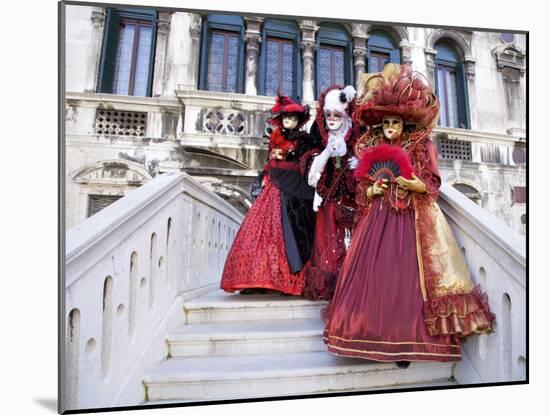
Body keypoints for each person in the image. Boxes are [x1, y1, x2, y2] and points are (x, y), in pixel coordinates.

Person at [323, 64, 495, 365]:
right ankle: (367, 337)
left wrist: (414, 182)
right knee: (374, 278)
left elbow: (432, 183)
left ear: (404, 124)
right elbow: (362, 187)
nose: (391, 127)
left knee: (406, 283)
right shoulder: (371, 149)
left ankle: (405, 345)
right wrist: (373, 191)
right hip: (376, 220)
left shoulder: (420, 147)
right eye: (386, 122)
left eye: (396, 122)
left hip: (410, 220)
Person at [220, 95, 320, 295]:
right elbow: (268, 163)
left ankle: (291, 282)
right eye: (286, 118)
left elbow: (306, 165)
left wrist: (289, 158)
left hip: (295, 194)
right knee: (259, 234)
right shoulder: (275, 138)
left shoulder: (305, 141)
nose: (288, 121)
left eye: (293, 118)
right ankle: (257, 280)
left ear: (299, 121)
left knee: (291, 236)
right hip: (273, 189)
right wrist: (271, 164)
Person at [303, 85, 360, 301]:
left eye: (337, 114)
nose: (332, 119)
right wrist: (327, 153)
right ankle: (332, 284)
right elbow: (312, 174)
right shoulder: (322, 142)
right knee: (328, 245)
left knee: (354, 242)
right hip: (330, 199)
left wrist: (360, 163)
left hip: (353, 200)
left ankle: (353, 281)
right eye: (328, 115)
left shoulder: (357, 142)